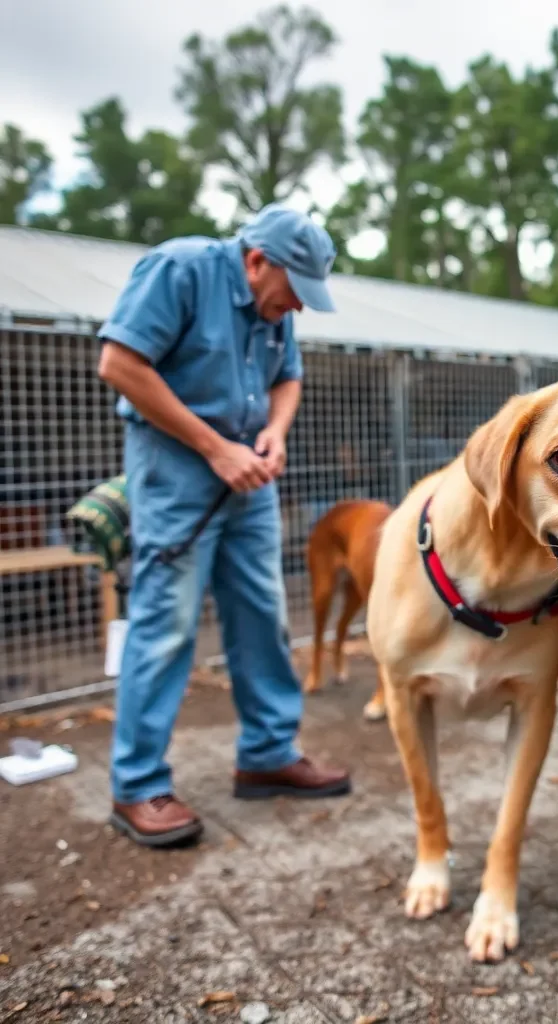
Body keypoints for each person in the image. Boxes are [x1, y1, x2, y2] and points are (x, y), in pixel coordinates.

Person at [96, 203, 351, 848]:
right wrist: (215, 447)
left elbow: (287, 378)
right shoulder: (180, 270)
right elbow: (120, 365)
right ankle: (137, 786)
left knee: (263, 611)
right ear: (257, 260)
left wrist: (274, 431)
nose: (294, 309)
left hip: (250, 479)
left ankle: (267, 753)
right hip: (178, 475)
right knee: (167, 623)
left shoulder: (273, 306)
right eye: (292, 293)